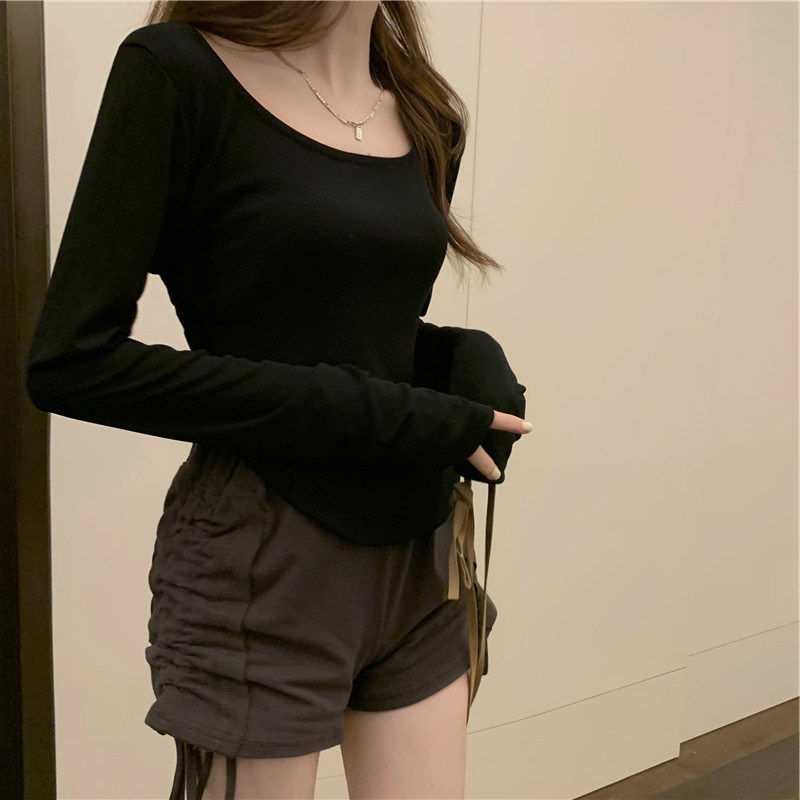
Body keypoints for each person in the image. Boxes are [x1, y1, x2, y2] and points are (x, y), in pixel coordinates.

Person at [26, 2, 531, 798]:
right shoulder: (178, 73)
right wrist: (374, 412)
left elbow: (342, 319)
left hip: (422, 554)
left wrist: (457, 357)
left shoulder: (428, 114)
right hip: (269, 548)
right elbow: (73, 362)